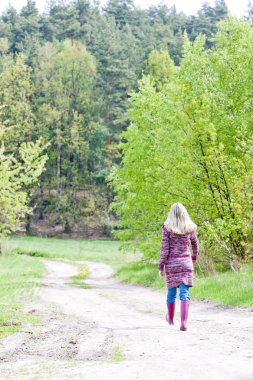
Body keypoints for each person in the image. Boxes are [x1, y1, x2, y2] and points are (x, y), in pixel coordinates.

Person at [158, 202, 199, 331]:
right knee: (184, 293)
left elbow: (165, 249)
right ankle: (183, 323)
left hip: (171, 264)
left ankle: (170, 319)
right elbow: (195, 244)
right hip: (186, 263)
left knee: (171, 293)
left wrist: (161, 266)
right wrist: (194, 257)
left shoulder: (167, 228)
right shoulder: (190, 227)